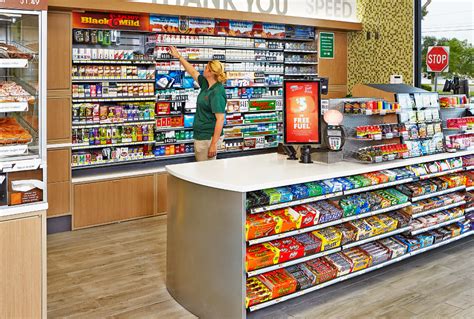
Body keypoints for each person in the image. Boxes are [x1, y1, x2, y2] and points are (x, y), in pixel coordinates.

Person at [168, 46, 227, 161]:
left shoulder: (217, 92)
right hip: (201, 135)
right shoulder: (206, 84)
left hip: (208, 138)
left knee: (206, 171)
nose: (203, 70)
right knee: (203, 169)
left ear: (211, 72)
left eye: (206, 68)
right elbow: (192, 71)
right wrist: (179, 56)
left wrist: (213, 144)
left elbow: (220, 119)